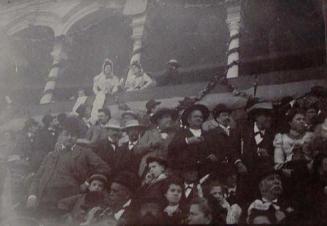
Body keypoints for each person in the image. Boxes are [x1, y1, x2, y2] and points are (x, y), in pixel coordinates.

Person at [26, 116, 111, 218]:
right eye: (66, 134)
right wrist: (32, 195)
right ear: (61, 136)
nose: (70, 138)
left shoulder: (84, 152)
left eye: (73, 135)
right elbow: (37, 177)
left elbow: (105, 168)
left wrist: (87, 182)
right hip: (44, 198)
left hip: (67, 201)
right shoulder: (51, 155)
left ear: (77, 137)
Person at [237, 102, 275, 207]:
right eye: (266, 115)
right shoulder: (242, 131)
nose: (269, 118)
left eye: (270, 116)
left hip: (262, 182)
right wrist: (239, 163)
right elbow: (233, 150)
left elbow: (277, 159)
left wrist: (268, 156)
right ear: (256, 117)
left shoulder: (273, 135)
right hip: (244, 179)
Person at [168, 104, 213, 178]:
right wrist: (187, 141)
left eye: (201, 117)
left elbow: (214, 149)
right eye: (195, 116)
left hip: (205, 172)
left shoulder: (207, 134)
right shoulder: (181, 133)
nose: (199, 119)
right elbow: (171, 148)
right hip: (186, 172)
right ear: (189, 120)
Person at [206, 104, 247, 178]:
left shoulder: (235, 132)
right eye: (224, 115)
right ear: (217, 118)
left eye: (228, 115)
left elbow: (238, 149)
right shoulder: (212, 133)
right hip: (219, 169)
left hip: (235, 169)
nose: (227, 117)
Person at [135, 108, 177, 176]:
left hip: (168, 170)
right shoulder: (149, 133)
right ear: (158, 120)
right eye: (166, 117)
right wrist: (150, 145)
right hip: (148, 169)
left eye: (170, 117)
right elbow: (137, 150)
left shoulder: (175, 134)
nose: (170, 119)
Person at [91, 58, 120, 124]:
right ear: (104, 68)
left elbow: (116, 87)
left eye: (109, 68)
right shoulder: (98, 78)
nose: (108, 69)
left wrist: (113, 91)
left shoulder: (114, 78)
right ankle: (95, 118)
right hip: (101, 94)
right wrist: (97, 93)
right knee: (98, 103)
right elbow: (94, 87)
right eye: (106, 68)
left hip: (110, 94)